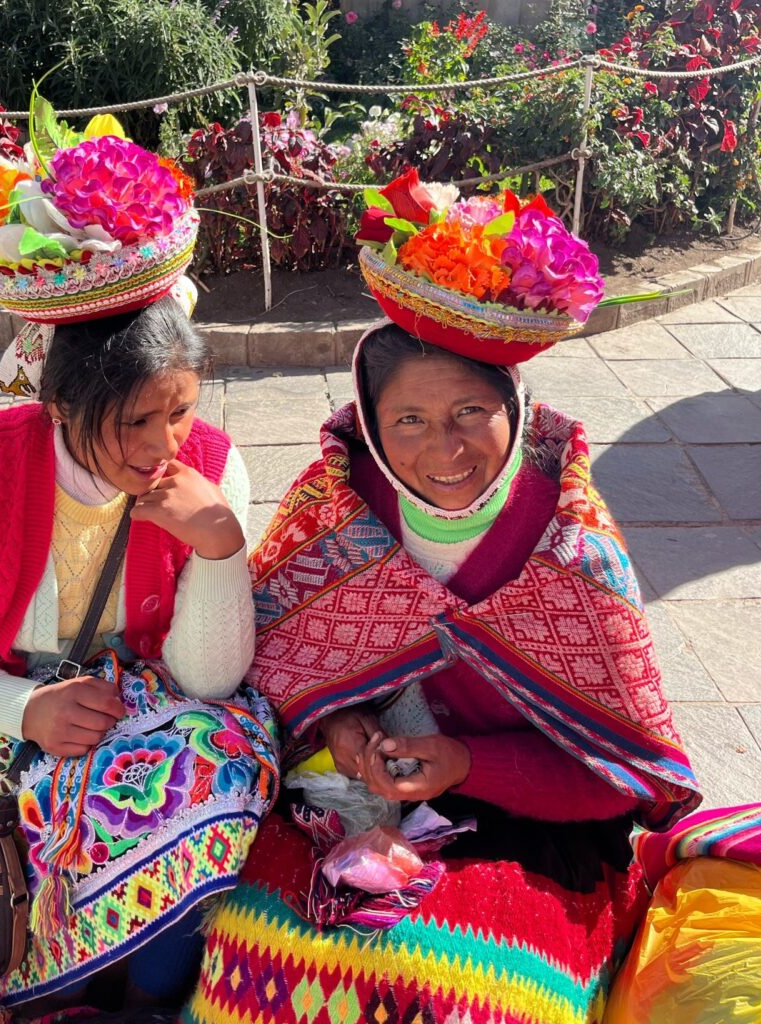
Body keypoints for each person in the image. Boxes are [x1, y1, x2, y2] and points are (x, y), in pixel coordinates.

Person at [183, 179, 701, 1024]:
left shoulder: (569, 547)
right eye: (409, 422)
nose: (442, 447)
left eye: (470, 411)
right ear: (373, 426)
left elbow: (622, 775)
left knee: (458, 990)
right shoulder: (335, 511)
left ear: (517, 410)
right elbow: (274, 676)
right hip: (345, 802)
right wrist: (331, 728)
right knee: (259, 962)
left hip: (529, 822)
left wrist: (467, 765)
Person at [0, 118, 277, 1024]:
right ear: (60, 403)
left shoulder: (211, 471)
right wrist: (22, 708)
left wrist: (220, 549)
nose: (162, 449)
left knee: (210, 787)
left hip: (131, 701)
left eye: (179, 412)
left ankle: (138, 998)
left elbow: (206, 680)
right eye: (133, 423)